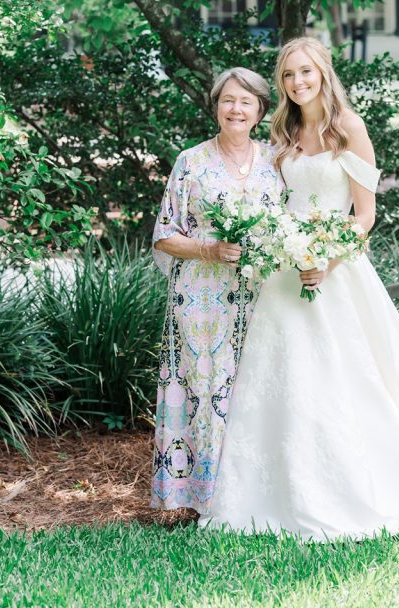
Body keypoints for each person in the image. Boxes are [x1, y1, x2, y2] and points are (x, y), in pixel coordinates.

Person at [201, 38, 399, 540]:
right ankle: (270, 492)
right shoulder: (283, 131)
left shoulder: (348, 129)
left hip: (337, 273)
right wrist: (275, 245)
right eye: (288, 75)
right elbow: (272, 201)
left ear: (323, 72)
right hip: (283, 274)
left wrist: (327, 260)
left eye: (305, 72)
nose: (297, 82)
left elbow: (366, 214)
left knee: (354, 378)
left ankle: (366, 483)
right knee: (282, 379)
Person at [150, 67, 283, 519]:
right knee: (205, 388)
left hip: (264, 296)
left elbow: (290, 226)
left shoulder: (277, 161)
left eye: (246, 102)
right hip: (202, 298)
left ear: (261, 110)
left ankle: (255, 494)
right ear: (216, 106)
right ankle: (199, 497)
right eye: (228, 100)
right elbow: (164, 235)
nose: (236, 109)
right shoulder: (191, 161)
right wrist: (209, 248)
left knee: (256, 386)